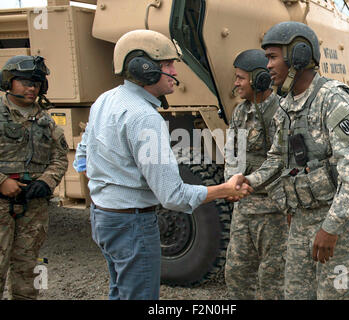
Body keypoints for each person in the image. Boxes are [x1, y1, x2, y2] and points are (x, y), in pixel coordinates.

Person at [73, 29, 252, 300]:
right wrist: (224, 190)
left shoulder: (105, 100)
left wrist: (108, 180)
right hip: (132, 225)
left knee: (120, 292)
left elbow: (82, 155)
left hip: (104, 218)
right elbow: (173, 197)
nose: (175, 73)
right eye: (168, 64)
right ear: (144, 69)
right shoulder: (145, 117)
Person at [244, 21, 349, 299]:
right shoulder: (287, 105)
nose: (267, 66)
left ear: (299, 55)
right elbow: (277, 159)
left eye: (272, 57)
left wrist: (331, 228)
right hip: (301, 224)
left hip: (338, 228)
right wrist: (246, 181)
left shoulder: (332, 99)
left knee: (337, 295)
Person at [0, 55, 69, 299]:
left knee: (27, 268)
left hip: (33, 206)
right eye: (26, 82)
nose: (32, 88)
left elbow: (60, 158)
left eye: (37, 83)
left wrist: (45, 182)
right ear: (9, 82)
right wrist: (3, 181)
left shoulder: (45, 121)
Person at [224, 49, 288, 300]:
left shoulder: (282, 112)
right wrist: (231, 184)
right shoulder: (240, 112)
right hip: (244, 208)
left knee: (274, 279)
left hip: (274, 212)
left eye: (240, 78)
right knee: (237, 274)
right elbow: (233, 154)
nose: (236, 83)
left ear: (259, 79)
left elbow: (282, 162)